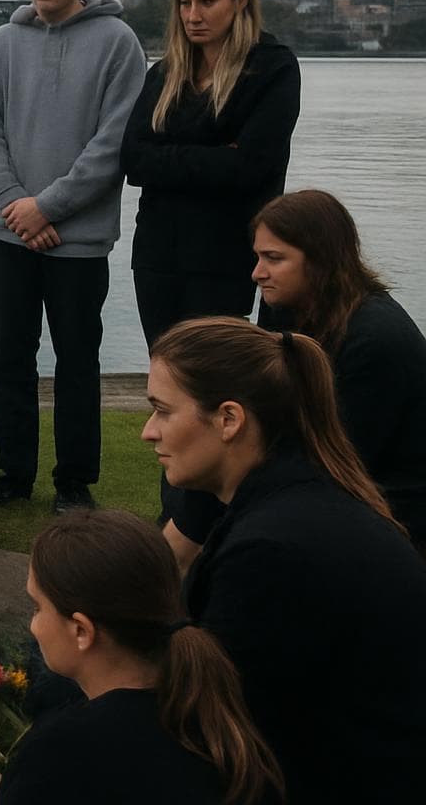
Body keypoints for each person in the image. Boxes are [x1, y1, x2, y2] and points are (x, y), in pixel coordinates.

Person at [145, 317, 426, 802]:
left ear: (230, 420)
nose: (149, 432)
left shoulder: (274, 554)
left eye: (163, 411)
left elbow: (214, 730)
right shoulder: (299, 501)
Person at [119, 0, 301, 557]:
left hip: (225, 254)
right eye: (184, 3)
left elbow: (254, 167)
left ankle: (196, 530)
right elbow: (132, 159)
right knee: (170, 392)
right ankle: (180, 520)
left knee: (215, 396)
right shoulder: (166, 70)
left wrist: (179, 162)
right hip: (158, 254)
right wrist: (212, 156)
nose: (193, 15)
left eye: (207, 1)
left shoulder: (271, 67)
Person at [0, 0, 146, 514]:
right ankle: (12, 476)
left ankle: (75, 482)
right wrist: (18, 206)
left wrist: (48, 208)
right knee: (10, 357)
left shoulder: (119, 43)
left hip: (78, 239)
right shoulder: (1, 44)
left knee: (77, 361)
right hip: (9, 234)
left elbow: (114, 143)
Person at [0, 510, 281, 805]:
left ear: (81, 630)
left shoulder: (61, 755)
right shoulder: (215, 717)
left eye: (37, 607)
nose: (34, 625)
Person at [250, 189, 426, 551]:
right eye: (258, 257)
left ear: (319, 260)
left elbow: (341, 457)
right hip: (332, 487)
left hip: (391, 512)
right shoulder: (286, 305)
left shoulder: (376, 339)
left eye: (273, 258)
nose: (257, 273)